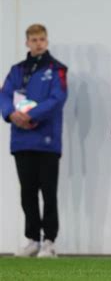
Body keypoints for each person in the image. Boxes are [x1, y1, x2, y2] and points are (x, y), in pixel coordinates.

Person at [0, 24, 68, 258]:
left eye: (42, 39)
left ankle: (49, 240)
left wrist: (30, 115)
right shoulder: (17, 70)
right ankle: (32, 239)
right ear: (27, 42)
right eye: (34, 39)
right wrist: (12, 114)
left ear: (46, 41)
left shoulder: (57, 69)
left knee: (48, 191)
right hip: (22, 139)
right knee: (27, 192)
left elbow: (58, 98)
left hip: (47, 140)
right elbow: (5, 94)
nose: (38, 43)